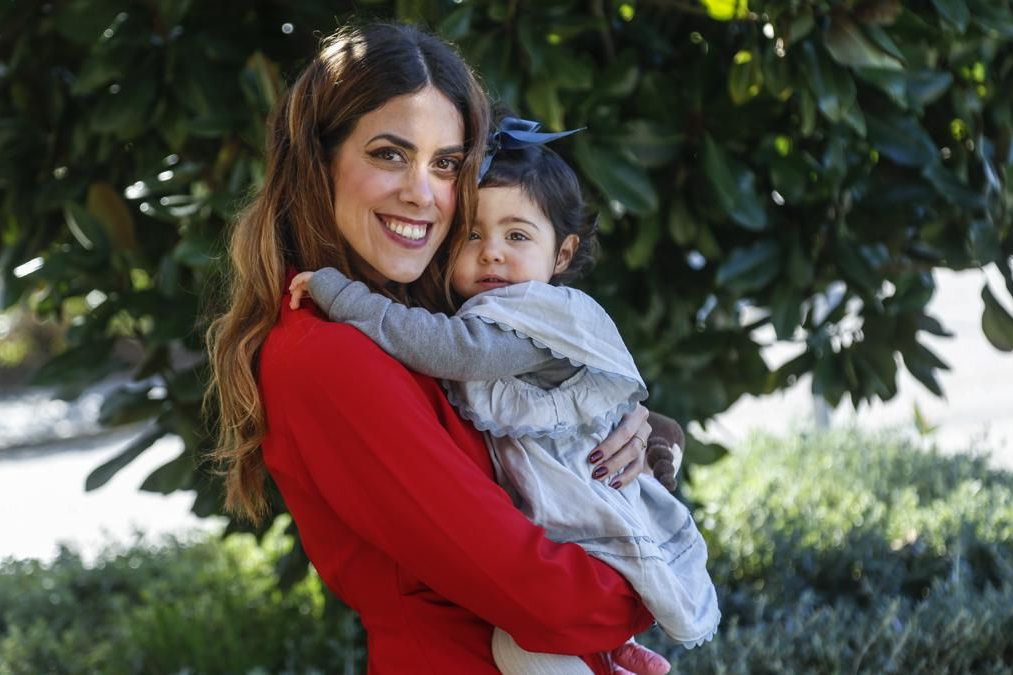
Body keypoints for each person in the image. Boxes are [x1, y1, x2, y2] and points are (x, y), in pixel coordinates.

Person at [207, 22, 681, 674]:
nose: (423, 192)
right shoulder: (327, 355)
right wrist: (651, 577)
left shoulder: (427, 318)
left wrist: (634, 431)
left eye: (447, 163)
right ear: (321, 165)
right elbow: (539, 593)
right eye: (389, 154)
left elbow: (519, 449)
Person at [288, 134, 721, 674]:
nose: (491, 251)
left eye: (517, 235)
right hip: (492, 616)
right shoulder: (320, 353)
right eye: (472, 235)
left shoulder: (527, 314)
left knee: (526, 651)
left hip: (576, 514)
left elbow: (446, 349)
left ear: (562, 253)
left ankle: (609, 654)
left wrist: (344, 296)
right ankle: (613, 656)